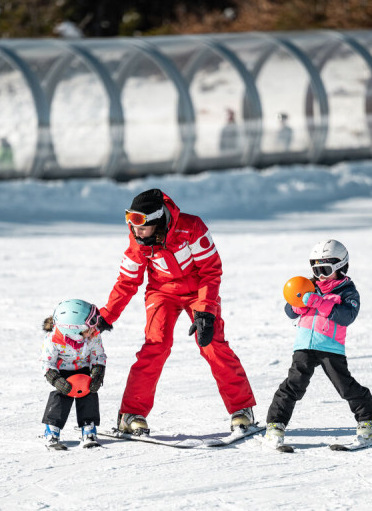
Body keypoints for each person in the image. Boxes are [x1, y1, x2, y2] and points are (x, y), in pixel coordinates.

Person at [96, 188, 256, 435]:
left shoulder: (191, 228)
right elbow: (127, 281)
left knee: (212, 344)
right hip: (162, 292)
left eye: (140, 223)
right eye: (130, 220)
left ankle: (242, 409)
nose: (134, 230)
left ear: (157, 220)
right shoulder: (138, 239)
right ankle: (132, 414)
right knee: (156, 345)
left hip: (198, 291)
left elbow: (210, 271)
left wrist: (205, 311)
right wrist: (107, 315)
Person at [264, 239, 372, 449]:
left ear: (340, 266)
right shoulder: (308, 286)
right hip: (304, 345)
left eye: (325, 269)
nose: (319, 275)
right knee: (293, 385)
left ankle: (369, 423)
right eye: (316, 269)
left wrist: (321, 303)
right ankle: (275, 425)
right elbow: (289, 308)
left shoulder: (347, 291)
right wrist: (298, 307)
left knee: (345, 386)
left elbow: (347, 316)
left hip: (330, 347)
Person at [40, 299, 107, 449]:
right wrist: (56, 380)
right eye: (90, 327)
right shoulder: (53, 340)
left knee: (89, 394)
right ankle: (52, 430)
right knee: (60, 397)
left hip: (83, 371)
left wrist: (97, 374)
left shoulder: (93, 336)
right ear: (74, 330)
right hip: (61, 374)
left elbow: (99, 356)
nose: (95, 328)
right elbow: (47, 363)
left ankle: (88, 428)